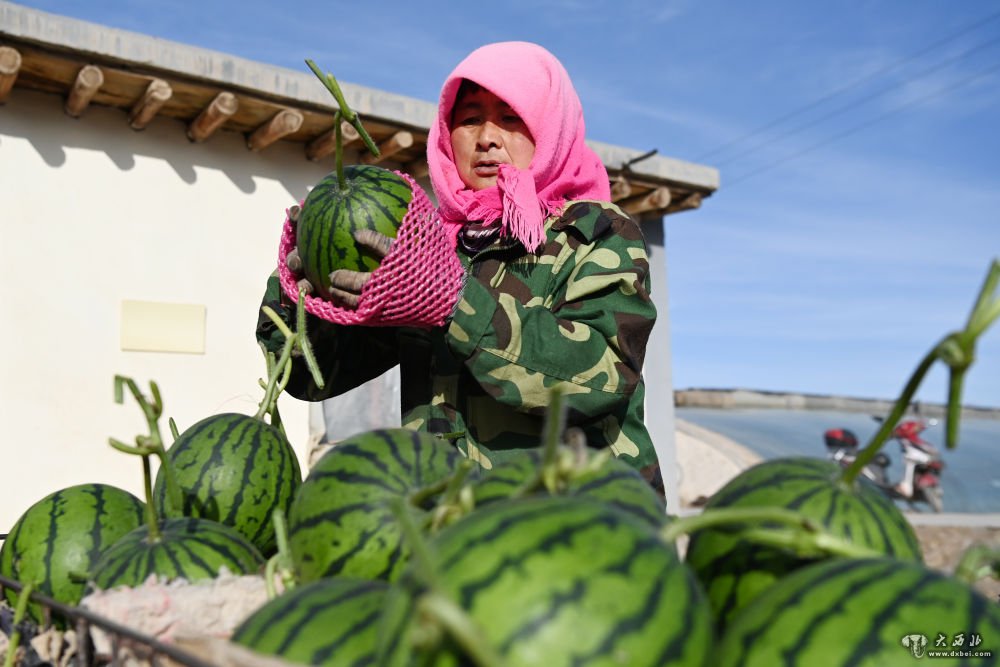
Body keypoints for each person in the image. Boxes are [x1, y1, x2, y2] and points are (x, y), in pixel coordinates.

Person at [258, 41, 659, 480]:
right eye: (469, 119)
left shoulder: (597, 230)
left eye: (511, 117)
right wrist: (300, 292)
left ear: (550, 127)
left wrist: (455, 303)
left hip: (578, 513)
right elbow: (310, 377)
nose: (487, 138)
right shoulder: (424, 249)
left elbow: (601, 377)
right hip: (451, 515)